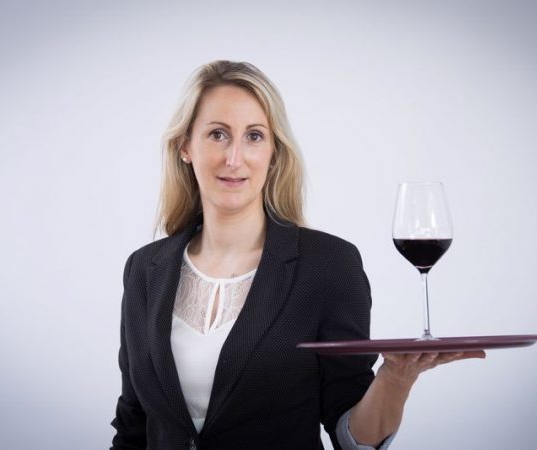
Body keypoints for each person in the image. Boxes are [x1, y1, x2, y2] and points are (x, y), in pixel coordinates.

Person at [110, 60, 484, 449]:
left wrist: (396, 379)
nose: (234, 158)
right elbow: (133, 427)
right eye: (218, 134)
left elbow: (349, 435)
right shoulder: (144, 269)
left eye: (254, 136)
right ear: (185, 146)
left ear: (274, 152)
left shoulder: (329, 265)